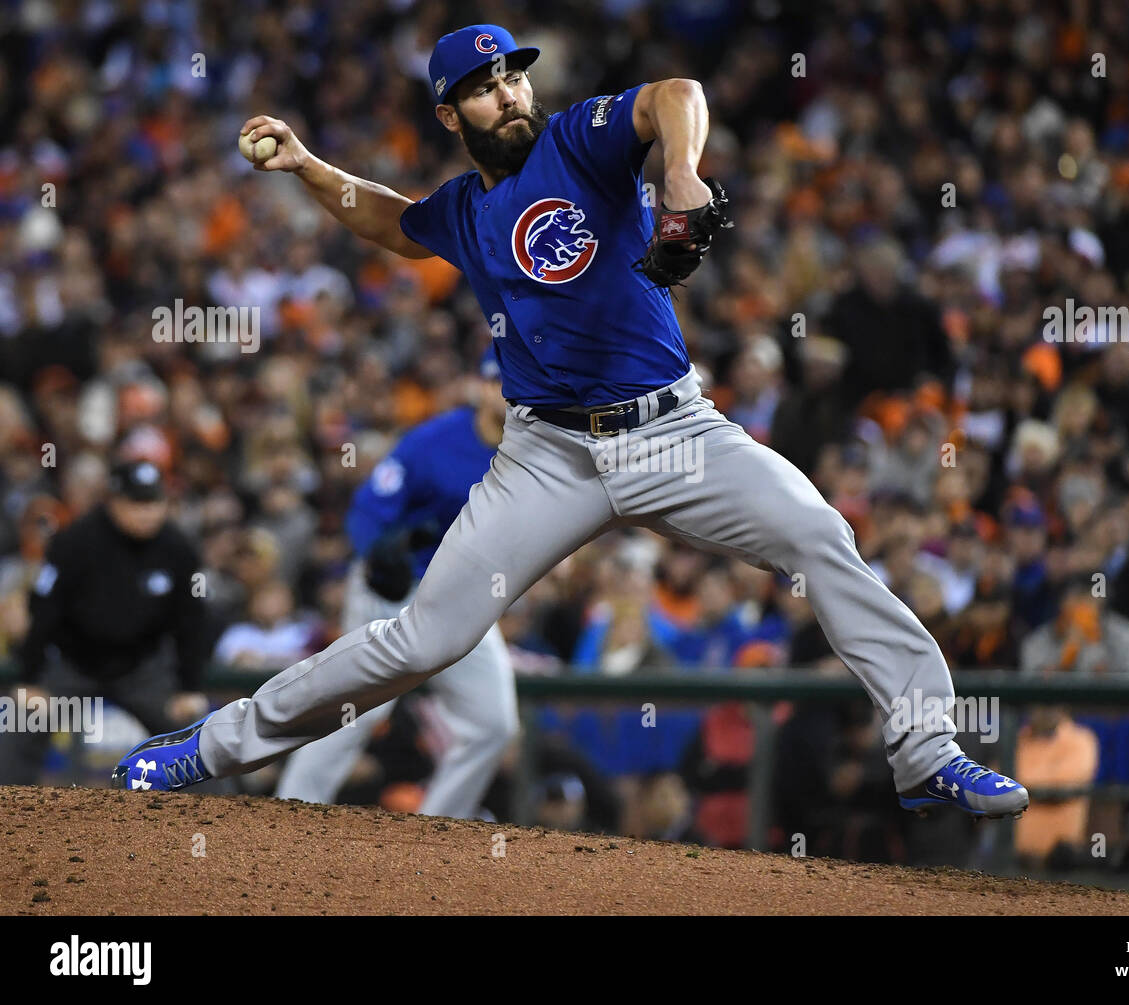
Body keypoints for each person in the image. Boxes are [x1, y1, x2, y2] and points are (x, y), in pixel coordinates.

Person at [113, 23, 1028, 821]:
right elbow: (393, 223)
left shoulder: (578, 143)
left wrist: (677, 171)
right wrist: (309, 166)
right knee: (426, 637)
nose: (506, 93)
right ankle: (216, 745)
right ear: (449, 116)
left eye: (512, 74)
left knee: (822, 535)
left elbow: (678, 93)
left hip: (674, 431)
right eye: (480, 87)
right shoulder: (467, 212)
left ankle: (926, 748)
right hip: (547, 453)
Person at [273, 363, 518, 819]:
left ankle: (440, 827)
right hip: (393, 587)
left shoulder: (534, 449)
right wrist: (376, 550)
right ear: (480, 387)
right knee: (358, 711)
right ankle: (291, 811)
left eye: (517, 381)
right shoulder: (432, 441)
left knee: (493, 723)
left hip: (462, 596)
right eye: (499, 382)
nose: (508, 392)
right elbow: (368, 508)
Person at [1, 460, 210, 784]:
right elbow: (44, 609)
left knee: (197, 736)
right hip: (73, 664)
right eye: (136, 503)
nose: (146, 513)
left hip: (142, 668)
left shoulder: (178, 549)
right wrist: (31, 677)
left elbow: (192, 621)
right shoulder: (76, 540)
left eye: (154, 502)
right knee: (20, 719)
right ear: (114, 500)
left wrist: (189, 687)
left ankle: (224, 827)